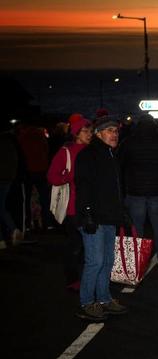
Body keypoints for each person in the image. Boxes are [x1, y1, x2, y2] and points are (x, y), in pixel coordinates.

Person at [74, 116, 128, 322]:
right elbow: (84, 185)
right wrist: (87, 213)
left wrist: (121, 210)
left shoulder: (110, 154)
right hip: (93, 217)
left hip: (108, 216)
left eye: (116, 131)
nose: (114, 134)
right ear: (98, 133)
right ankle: (87, 302)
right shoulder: (88, 155)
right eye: (109, 130)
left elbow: (113, 188)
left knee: (107, 260)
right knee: (95, 261)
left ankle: (104, 299)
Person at [117, 115, 158, 263]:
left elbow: (119, 163)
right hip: (157, 190)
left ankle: (137, 258)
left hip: (135, 190)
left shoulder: (129, 142)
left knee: (137, 226)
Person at [47, 116, 92, 290]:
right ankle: (73, 279)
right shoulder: (66, 151)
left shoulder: (92, 150)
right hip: (73, 206)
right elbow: (52, 176)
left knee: (87, 246)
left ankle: (87, 278)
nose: (90, 134)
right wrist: (70, 176)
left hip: (90, 206)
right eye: (86, 131)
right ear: (76, 133)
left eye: (91, 131)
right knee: (75, 245)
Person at [0, 120, 22, 249]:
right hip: (8, 178)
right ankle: (12, 229)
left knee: (1, 207)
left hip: (2, 178)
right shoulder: (12, 142)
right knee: (2, 206)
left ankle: (3, 239)